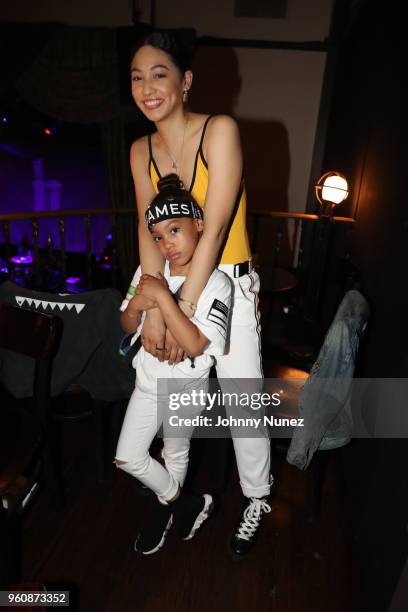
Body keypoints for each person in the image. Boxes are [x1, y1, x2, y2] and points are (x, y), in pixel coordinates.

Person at [129, 29, 271, 558]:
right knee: (175, 406)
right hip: (170, 284)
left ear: (185, 81)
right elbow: (148, 233)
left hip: (225, 284)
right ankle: (172, 499)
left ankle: (257, 497)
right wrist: (153, 308)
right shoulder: (139, 149)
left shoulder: (220, 131)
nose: (147, 88)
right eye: (137, 78)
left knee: (241, 404)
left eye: (159, 74)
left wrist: (179, 307)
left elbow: (212, 230)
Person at [115, 174, 232, 555]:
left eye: (175, 230)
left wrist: (162, 300)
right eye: (159, 237)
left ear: (199, 225)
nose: (167, 244)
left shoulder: (218, 284)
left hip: (186, 390)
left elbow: (196, 343)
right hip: (147, 385)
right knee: (128, 457)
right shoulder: (148, 273)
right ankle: (185, 503)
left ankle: (161, 513)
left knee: (175, 453)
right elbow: (125, 322)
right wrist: (138, 304)